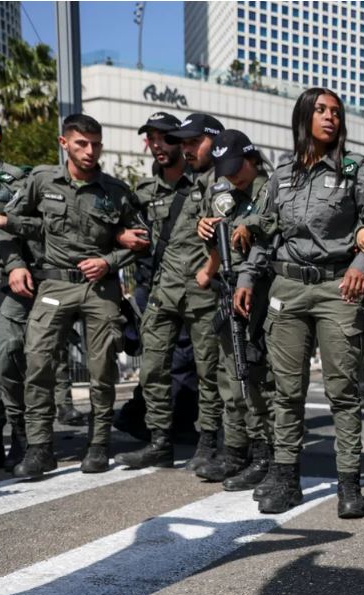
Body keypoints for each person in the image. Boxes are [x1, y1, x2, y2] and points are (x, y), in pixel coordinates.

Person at [234, 87, 364, 518]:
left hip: (338, 289)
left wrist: (361, 265)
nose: (330, 118)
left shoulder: (355, 169)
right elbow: (267, 233)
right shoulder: (282, 174)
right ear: (303, 118)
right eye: (320, 111)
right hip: (287, 289)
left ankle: (349, 482)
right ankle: (285, 478)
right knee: (286, 390)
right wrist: (246, 276)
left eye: (336, 112)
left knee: (343, 391)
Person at [0, 114, 138, 477]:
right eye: (81, 144)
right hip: (53, 284)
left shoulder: (115, 191)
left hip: (99, 287)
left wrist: (108, 261)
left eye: (96, 144)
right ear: (64, 144)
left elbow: (140, 239)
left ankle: (98, 443)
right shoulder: (41, 181)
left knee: (101, 368)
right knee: (37, 362)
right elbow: (6, 225)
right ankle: (40, 448)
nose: (90, 152)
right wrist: (14, 266)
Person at [116, 113, 226, 473]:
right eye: (152, 138)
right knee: (152, 369)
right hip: (163, 291)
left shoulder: (208, 185)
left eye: (167, 138)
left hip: (201, 291)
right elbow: (113, 228)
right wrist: (122, 239)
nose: (159, 145)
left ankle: (209, 441)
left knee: (209, 372)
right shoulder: (145, 192)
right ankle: (159, 442)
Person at [193, 129, 274, 486]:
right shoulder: (225, 195)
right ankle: (236, 450)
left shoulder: (272, 190)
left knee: (258, 377)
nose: (230, 174)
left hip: (265, 294)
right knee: (232, 375)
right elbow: (218, 247)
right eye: (224, 168)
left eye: (236, 166)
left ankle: (266, 454)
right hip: (230, 292)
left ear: (253, 159)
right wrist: (206, 230)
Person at [0, 112, 32, 470]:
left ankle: (22, 434)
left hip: (3, 276)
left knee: (5, 356)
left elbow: (29, 226)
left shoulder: (15, 180)